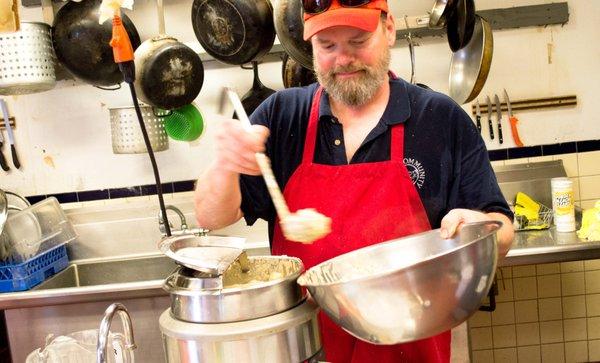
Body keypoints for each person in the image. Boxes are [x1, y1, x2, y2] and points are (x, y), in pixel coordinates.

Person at [194, 0, 514, 361]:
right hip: (309, 350)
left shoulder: (440, 119)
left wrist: (480, 228)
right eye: (327, 46)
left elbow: (501, 227)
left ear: (389, 28)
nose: (343, 59)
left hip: (409, 349)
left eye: (358, 41)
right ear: (310, 46)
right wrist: (223, 163)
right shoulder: (282, 117)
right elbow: (212, 216)